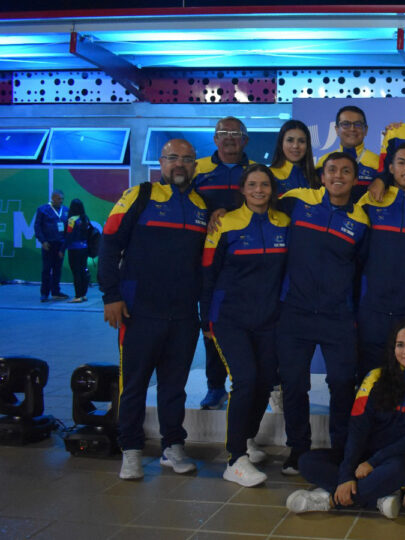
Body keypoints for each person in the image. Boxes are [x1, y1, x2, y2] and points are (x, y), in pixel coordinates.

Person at [99, 139, 208, 480]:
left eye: (187, 159)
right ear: (161, 162)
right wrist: (110, 295)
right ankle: (130, 449)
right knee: (133, 385)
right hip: (138, 312)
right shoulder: (138, 196)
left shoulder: (201, 205)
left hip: (184, 315)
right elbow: (109, 243)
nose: (180, 164)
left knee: (174, 387)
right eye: (173, 158)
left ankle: (172, 447)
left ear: (194, 166)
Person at [285, 320, 405, 519]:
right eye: (400, 344)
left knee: (398, 469)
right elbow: (358, 428)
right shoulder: (375, 377)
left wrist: (373, 463)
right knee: (307, 462)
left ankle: (330, 500)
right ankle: (376, 498)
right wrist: (346, 475)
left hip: (396, 461)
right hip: (364, 459)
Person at [276, 152, 370, 474]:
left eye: (346, 171)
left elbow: (362, 268)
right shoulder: (298, 203)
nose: (338, 176)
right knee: (293, 383)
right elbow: (255, 204)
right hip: (296, 312)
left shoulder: (361, 220)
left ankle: (341, 450)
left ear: (355, 180)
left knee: (343, 383)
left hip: (337, 316)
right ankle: (297, 450)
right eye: (332, 170)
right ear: (322, 176)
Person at [201, 164, 289, 487]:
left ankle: (247, 440)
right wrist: (205, 318)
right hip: (230, 318)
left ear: (272, 189)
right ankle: (234, 458)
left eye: (264, 184)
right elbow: (208, 272)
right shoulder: (224, 224)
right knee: (246, 380)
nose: (259, 190)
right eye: (252, 184)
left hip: (269, 319)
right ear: (243, 189)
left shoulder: (285, 223)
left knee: (265, 383)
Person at [356, 143, 405, 376]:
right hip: (372, 308)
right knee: (368, 377)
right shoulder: (371, 200)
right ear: (390, 168)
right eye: (401, 163)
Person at [194, 116, 252, 411]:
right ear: (215, 139)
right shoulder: (198, 169)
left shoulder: (254, 171)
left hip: (246, 261)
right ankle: (215, 386)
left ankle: (245, 385)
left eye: (236, 133)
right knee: (211, 324)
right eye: (223, 133)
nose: (229, 137)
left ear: (246, 139)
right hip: (207, 258)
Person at [317, 106, 379, 203]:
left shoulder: (378, 163)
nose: (352, 129)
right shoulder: (323, 162)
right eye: (345, 124)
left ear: (366, 130)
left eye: (358, 124)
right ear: (337, 129)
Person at [34, 189, 69, 302]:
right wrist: (43, 241)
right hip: (48, 244)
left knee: (57, 269)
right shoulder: (43, 210)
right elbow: (37, 227)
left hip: (60, 245)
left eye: (62, 199)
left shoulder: (65, 210)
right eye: (59, 199)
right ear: (53, 198)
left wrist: (64, 246)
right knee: (46, 269)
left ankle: (56, 291)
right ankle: (44, 293)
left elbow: (68, 229)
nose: (61, 201)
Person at [269, 119, 318, 194]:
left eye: (301, 141)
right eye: (290, 140)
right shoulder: (269, 175)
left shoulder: (317, 178)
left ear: (307, 145)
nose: (295, 146)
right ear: (281, 143)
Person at [64, 198, 91, 303]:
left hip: (74, 249)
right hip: (84, 248)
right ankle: (83, 294)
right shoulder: (85, 218)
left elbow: (69, 235)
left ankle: (77, 296)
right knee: (83, 271)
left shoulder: (71, 220)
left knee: (76, 273)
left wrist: (62, 249)